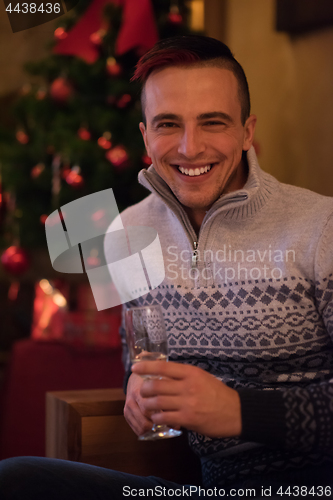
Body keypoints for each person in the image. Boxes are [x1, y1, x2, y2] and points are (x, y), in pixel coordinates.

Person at [1, 35, 333, 499]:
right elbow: (137, 367)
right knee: (14, 480)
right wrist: (135, 394)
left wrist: (241, 411)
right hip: (204, 489)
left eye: (212, 122)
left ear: (247, 131)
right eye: (168, 124)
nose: (190, 147)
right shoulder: (123, 232)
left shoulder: (321, 227)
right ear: (145, 136)